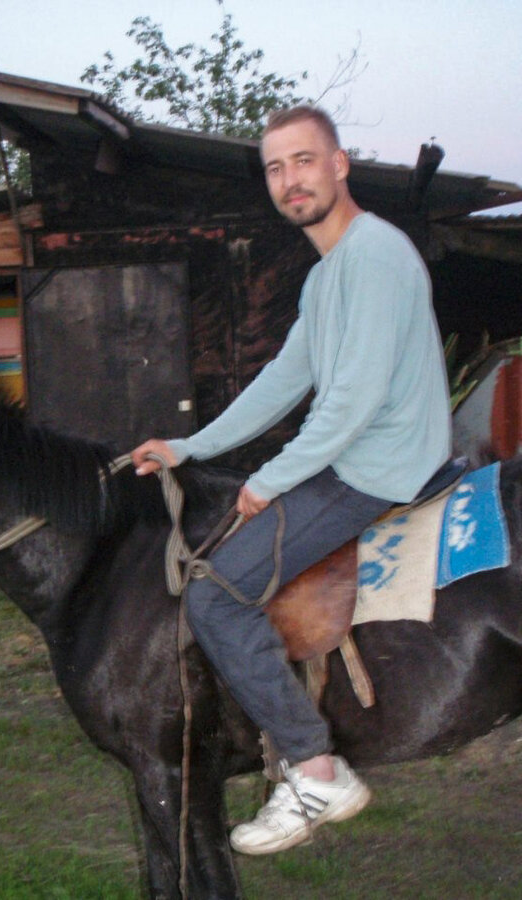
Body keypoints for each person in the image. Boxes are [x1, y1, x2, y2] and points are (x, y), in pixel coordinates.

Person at [131, 105, 452, 855]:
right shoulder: (328, 273)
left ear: (340, 165)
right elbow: (286, 379)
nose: (290, 180)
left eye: (304, 161)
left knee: (215, 597)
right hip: (360, 454)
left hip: (380, 466)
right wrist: (189, 446)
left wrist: (271, 479)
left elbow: (352, 400)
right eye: (276, 168)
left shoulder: (373, 254)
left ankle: (315, 768)